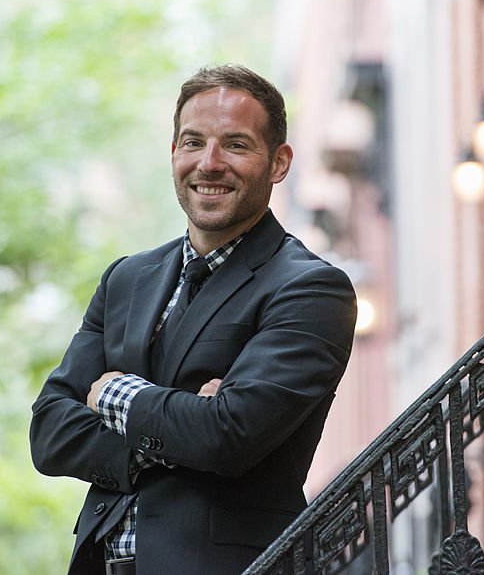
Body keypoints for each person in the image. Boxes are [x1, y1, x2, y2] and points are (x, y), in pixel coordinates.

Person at [30, 64, 356, 574]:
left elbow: (227, 437)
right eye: (192, 142)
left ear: (278, 162)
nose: (210, 163)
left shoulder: (310, 288)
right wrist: (180, 427)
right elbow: (49, 430)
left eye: (236, 145)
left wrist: (116, 397)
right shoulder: (127, 279)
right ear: (174, 153)